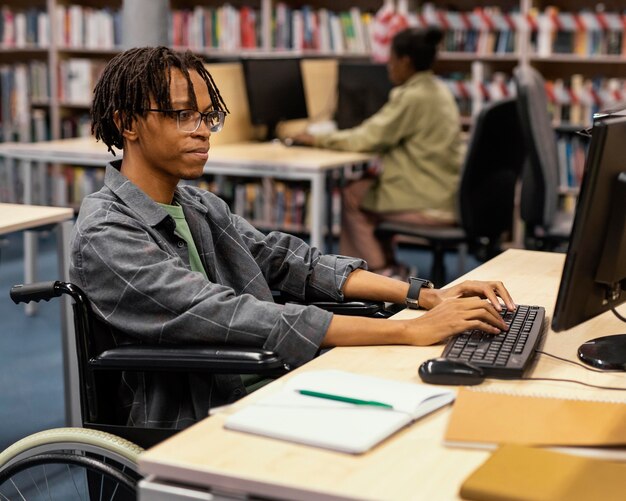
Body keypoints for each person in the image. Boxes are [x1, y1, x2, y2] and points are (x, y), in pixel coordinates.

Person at [70, 46, 512, 430]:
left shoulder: (197, 205)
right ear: (127, 123)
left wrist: (425, 296)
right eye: (182, 115)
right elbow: (228, 315)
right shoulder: (106, 233)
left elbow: (285, 259)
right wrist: (410, 332)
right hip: (203, 415)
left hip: (277, 382)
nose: (202, 130)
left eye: (207, 116)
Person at [292, 26, 464, 278]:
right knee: (365, 189)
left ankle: (378, 274)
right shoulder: (438, 90)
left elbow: (365, 139)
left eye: (391, 59)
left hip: (429, 200)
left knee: (352, 195)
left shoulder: (412, 97)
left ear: (405, 61)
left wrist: (314, 138)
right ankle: (388, 266)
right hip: (444, 192)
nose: (388, 66)